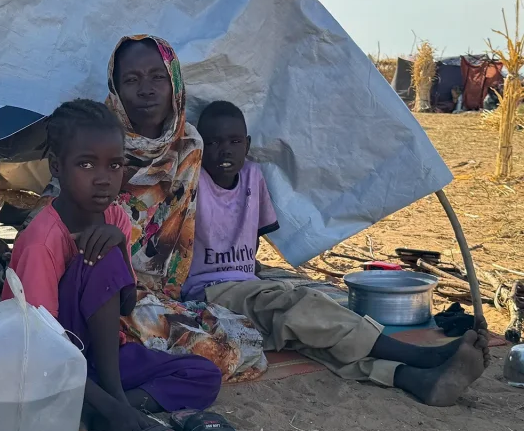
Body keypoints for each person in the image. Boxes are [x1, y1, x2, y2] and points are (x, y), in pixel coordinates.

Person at [189, 100, 489, 407]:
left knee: (310, 333)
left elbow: (253, 238)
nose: (224, 150)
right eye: (212, 143)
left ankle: (411, 377)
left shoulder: (253, 176)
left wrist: (250, 273)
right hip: (208, 291)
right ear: (199, 145)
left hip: (246, 284)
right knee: (299, 305)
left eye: (234, 141)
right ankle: (418, 356)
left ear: (247, 144)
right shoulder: (191, 181)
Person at [3, 99, 222, 431]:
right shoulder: (42, 241)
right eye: (86, 164)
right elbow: (40, 350)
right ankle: (111, 404)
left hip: (100, 360)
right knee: (99, 256)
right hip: (44, 364)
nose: (104, 177)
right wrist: (117, 405)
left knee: (203, 375)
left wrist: (120, 247)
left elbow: (125, 305)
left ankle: (96, 411)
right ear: (57, 166)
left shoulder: (116, 218)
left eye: (115, 164)